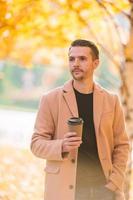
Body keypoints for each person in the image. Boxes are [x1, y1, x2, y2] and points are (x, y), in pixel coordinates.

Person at [30, 39, 129, 200]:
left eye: (82, 59)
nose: (75, 63)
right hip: (65, 191)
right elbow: (36, 144)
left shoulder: (112, 100)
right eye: (71, 59)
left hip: (104, 189)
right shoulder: (50, 99)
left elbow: (122, 145)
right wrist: (61, 145)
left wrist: (114, 182)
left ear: (95, 63)